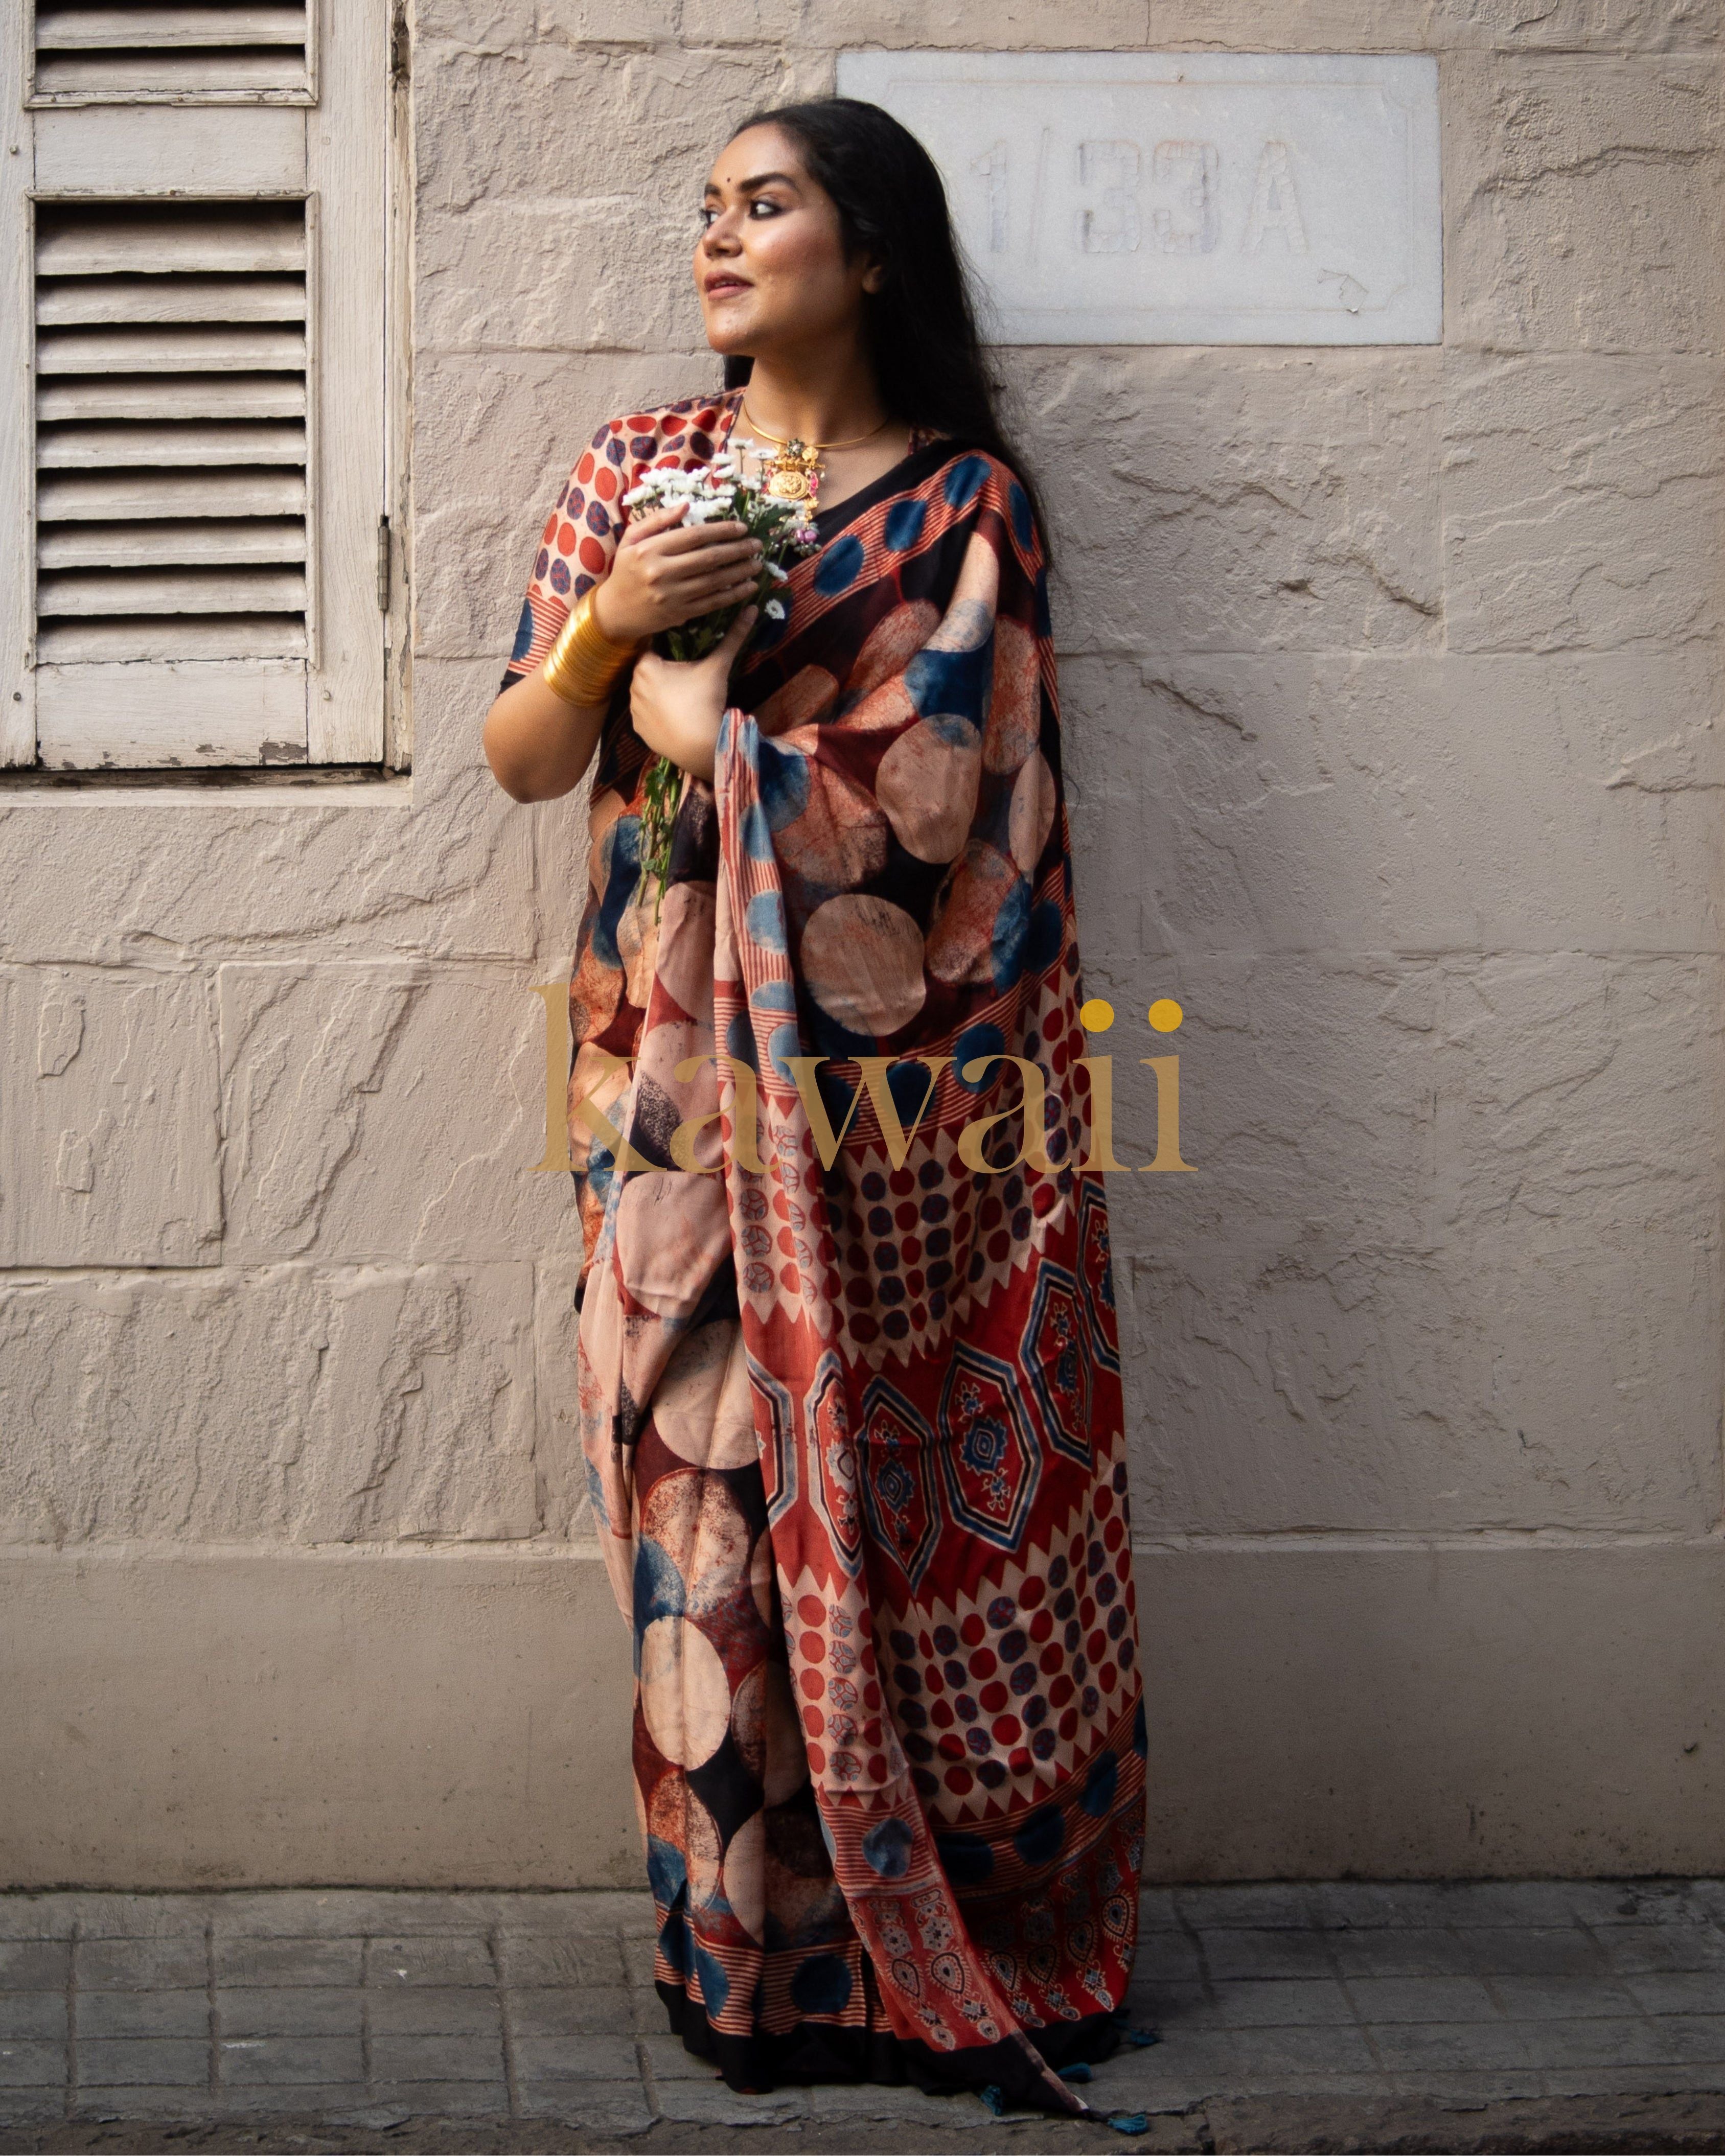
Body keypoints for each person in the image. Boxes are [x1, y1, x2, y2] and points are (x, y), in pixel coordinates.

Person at [482, 96, 1146, 2125]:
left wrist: (716, 735)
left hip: (910, 1121)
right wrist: (620, 639)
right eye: (706, 207)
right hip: (670, 1084)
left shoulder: (965, 510)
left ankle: (949, 1939)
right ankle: (749, 1953)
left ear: (870, 255)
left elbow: (958, 823)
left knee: (912, 1492)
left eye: (765, 205)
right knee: (703, 1508)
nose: (719, 237)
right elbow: (524, 753)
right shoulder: (635, 471)